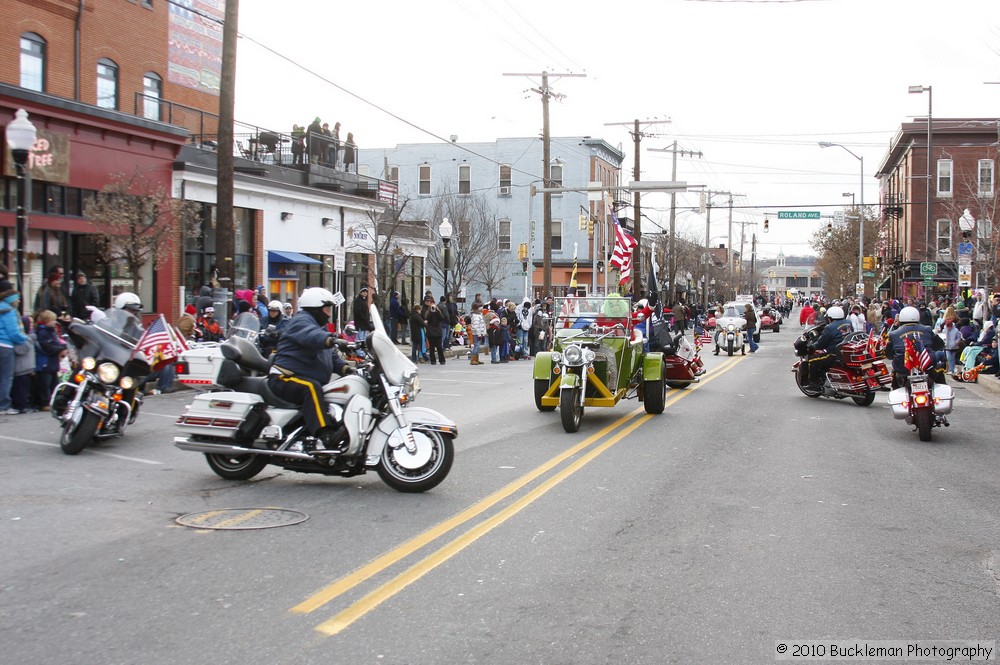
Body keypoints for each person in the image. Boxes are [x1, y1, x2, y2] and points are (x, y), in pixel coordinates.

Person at [267, 287, 353, 453]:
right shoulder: (302, 322)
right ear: (315, 308)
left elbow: (331, 356)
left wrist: (347, 369)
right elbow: (312, 336)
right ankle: (324, 433)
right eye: (326, 309)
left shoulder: (317, 327)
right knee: (311, 387)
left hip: (298, 377)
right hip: (284, 377)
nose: (329, 314)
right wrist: (333, 340)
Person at [887, 305, 946, 388]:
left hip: (904, 369)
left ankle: (896, 391)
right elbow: (939, 345)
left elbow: (889, 355)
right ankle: (941, 393)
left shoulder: (893, 334)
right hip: (926, 366)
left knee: (895, 374)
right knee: (939, 369)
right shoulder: (927, 329)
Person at [805, 305, 852, 388]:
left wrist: (812, 346)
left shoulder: (829, 327)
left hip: (834, 354)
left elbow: (821, 343)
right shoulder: (848, 323)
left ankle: (813, 384)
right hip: (845, 352)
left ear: (830, 318)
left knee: (813, 359)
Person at [0, 289, 30, 415]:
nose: (18, 301)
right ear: (12, 300)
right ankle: (4, 405)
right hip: (6, 346)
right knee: (6, 377)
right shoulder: (10, 311)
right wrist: (26, 338)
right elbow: (14, 333)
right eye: (17, 298)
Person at [33, 310, 67, 410]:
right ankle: (45, 403)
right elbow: (46, 347)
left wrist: (63, 347)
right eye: (53, 320)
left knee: (54, 384)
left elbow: (57, 342)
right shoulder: (42, 332)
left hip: (52, 362)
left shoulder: (52, 331)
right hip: (45, 362)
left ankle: (54, 402)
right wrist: (60, 349)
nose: (55, 322)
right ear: (47, 321)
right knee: (45, 384)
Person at [423, 297, 446, 365]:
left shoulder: (438, 313)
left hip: (438, 332)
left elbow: (442, 318)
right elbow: (426, 318)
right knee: (432, 348)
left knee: (439, 347)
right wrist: (431, 311)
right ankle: (433, 360)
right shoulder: (428, 313)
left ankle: (442, 360)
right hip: (431, 333)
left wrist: (437, 311)